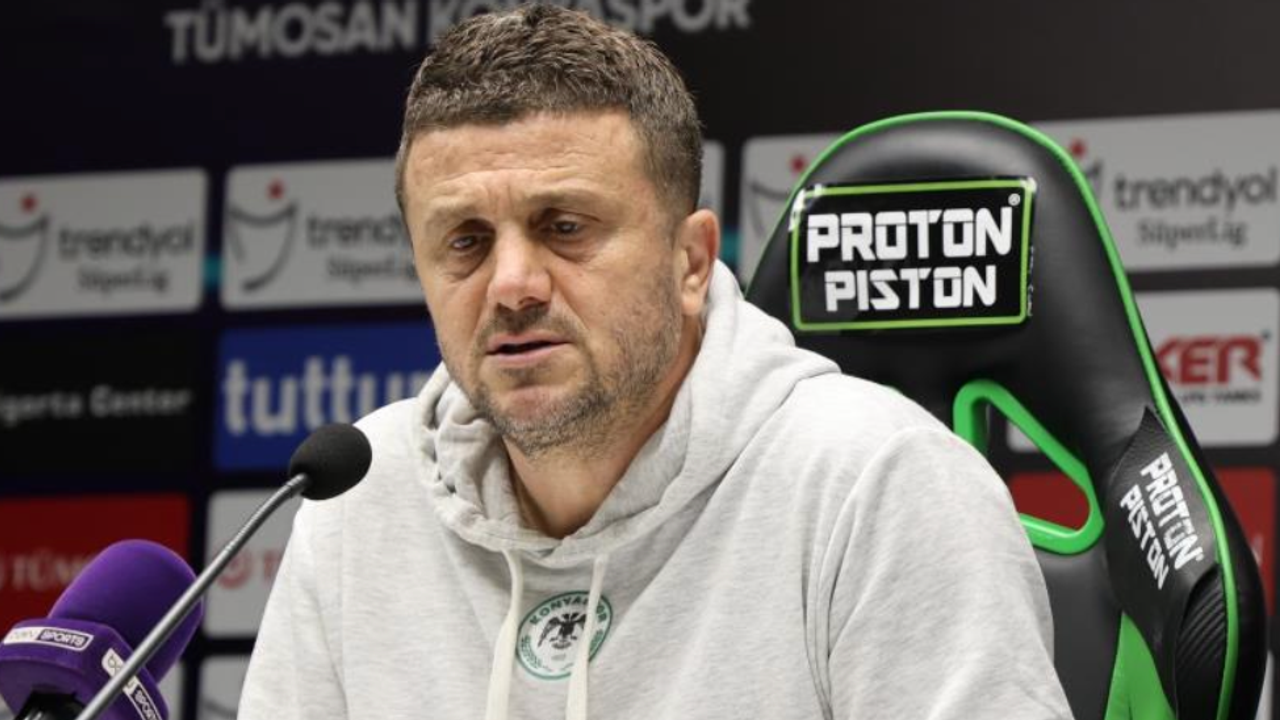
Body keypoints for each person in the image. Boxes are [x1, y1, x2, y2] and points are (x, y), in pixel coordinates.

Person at [237, 6, 1072, 719]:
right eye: (465, 242)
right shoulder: (359, 501)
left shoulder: (875, 482)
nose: (513, 284)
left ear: (691, 262)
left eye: (565, 227)